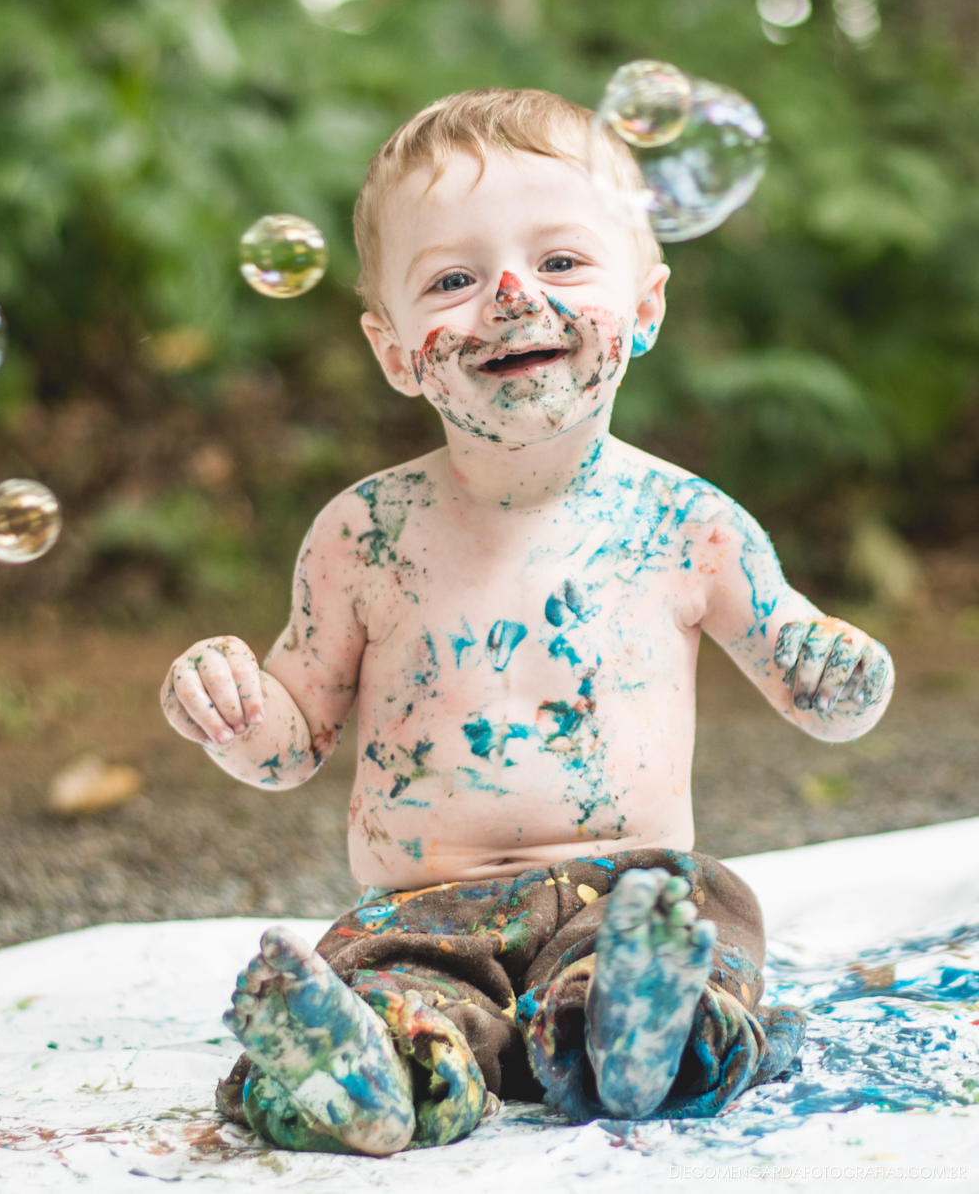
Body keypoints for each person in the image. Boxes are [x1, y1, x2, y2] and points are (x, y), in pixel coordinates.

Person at [161, 88, 893, 1157]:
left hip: (631, 886)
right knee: (390, 989)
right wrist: (231, 712)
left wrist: (842, 673)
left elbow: (807, 681)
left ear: (642, 310)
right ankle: (376, 1067)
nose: (510, 295)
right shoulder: (363, 534)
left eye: (559, 263)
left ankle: (636, 1029)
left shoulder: (686, 524)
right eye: (452, 279)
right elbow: (291, 744)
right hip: (421, 914)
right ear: (398, 350)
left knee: (695, 927)